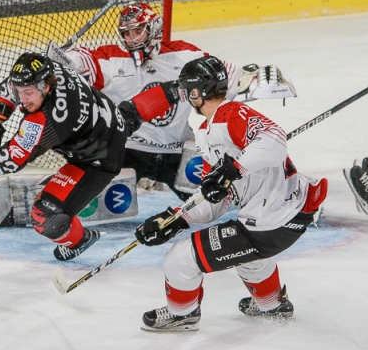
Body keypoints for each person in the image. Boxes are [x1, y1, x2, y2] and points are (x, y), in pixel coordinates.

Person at [133, 56, 327, 332]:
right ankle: (271, 304)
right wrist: (176, 219)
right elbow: (218, 197)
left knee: (181, 258)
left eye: (187, 91)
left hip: (270, 222)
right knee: (250, 259)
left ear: (196, 93)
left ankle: (182, 314)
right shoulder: (206, 133)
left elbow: (275, 140)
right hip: (285, 219)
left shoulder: (231, 113)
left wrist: (234, 168)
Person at [0, 52, 179, 261]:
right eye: (20, 92)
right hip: (110, 117)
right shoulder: (53, 67)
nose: (22, 99)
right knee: (128, 117)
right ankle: (178, 89)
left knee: (44, 217)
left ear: (46, 87)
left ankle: (79, 241)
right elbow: (11, 85)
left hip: (97, 160)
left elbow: (11, 159)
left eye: (28, 93)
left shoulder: (47, 121)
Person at [61, 3, 296, 200]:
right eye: (126, 33)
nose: (131, 39)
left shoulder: (183, 55)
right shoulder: (111, 59)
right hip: (127, 151)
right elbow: (84, 59)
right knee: (96, 205)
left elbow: (227, 76)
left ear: (153, 29)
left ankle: (290, 195)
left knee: (215, 199)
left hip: (176, 151)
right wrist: (66, 61)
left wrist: (259, 80)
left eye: (137, 31)